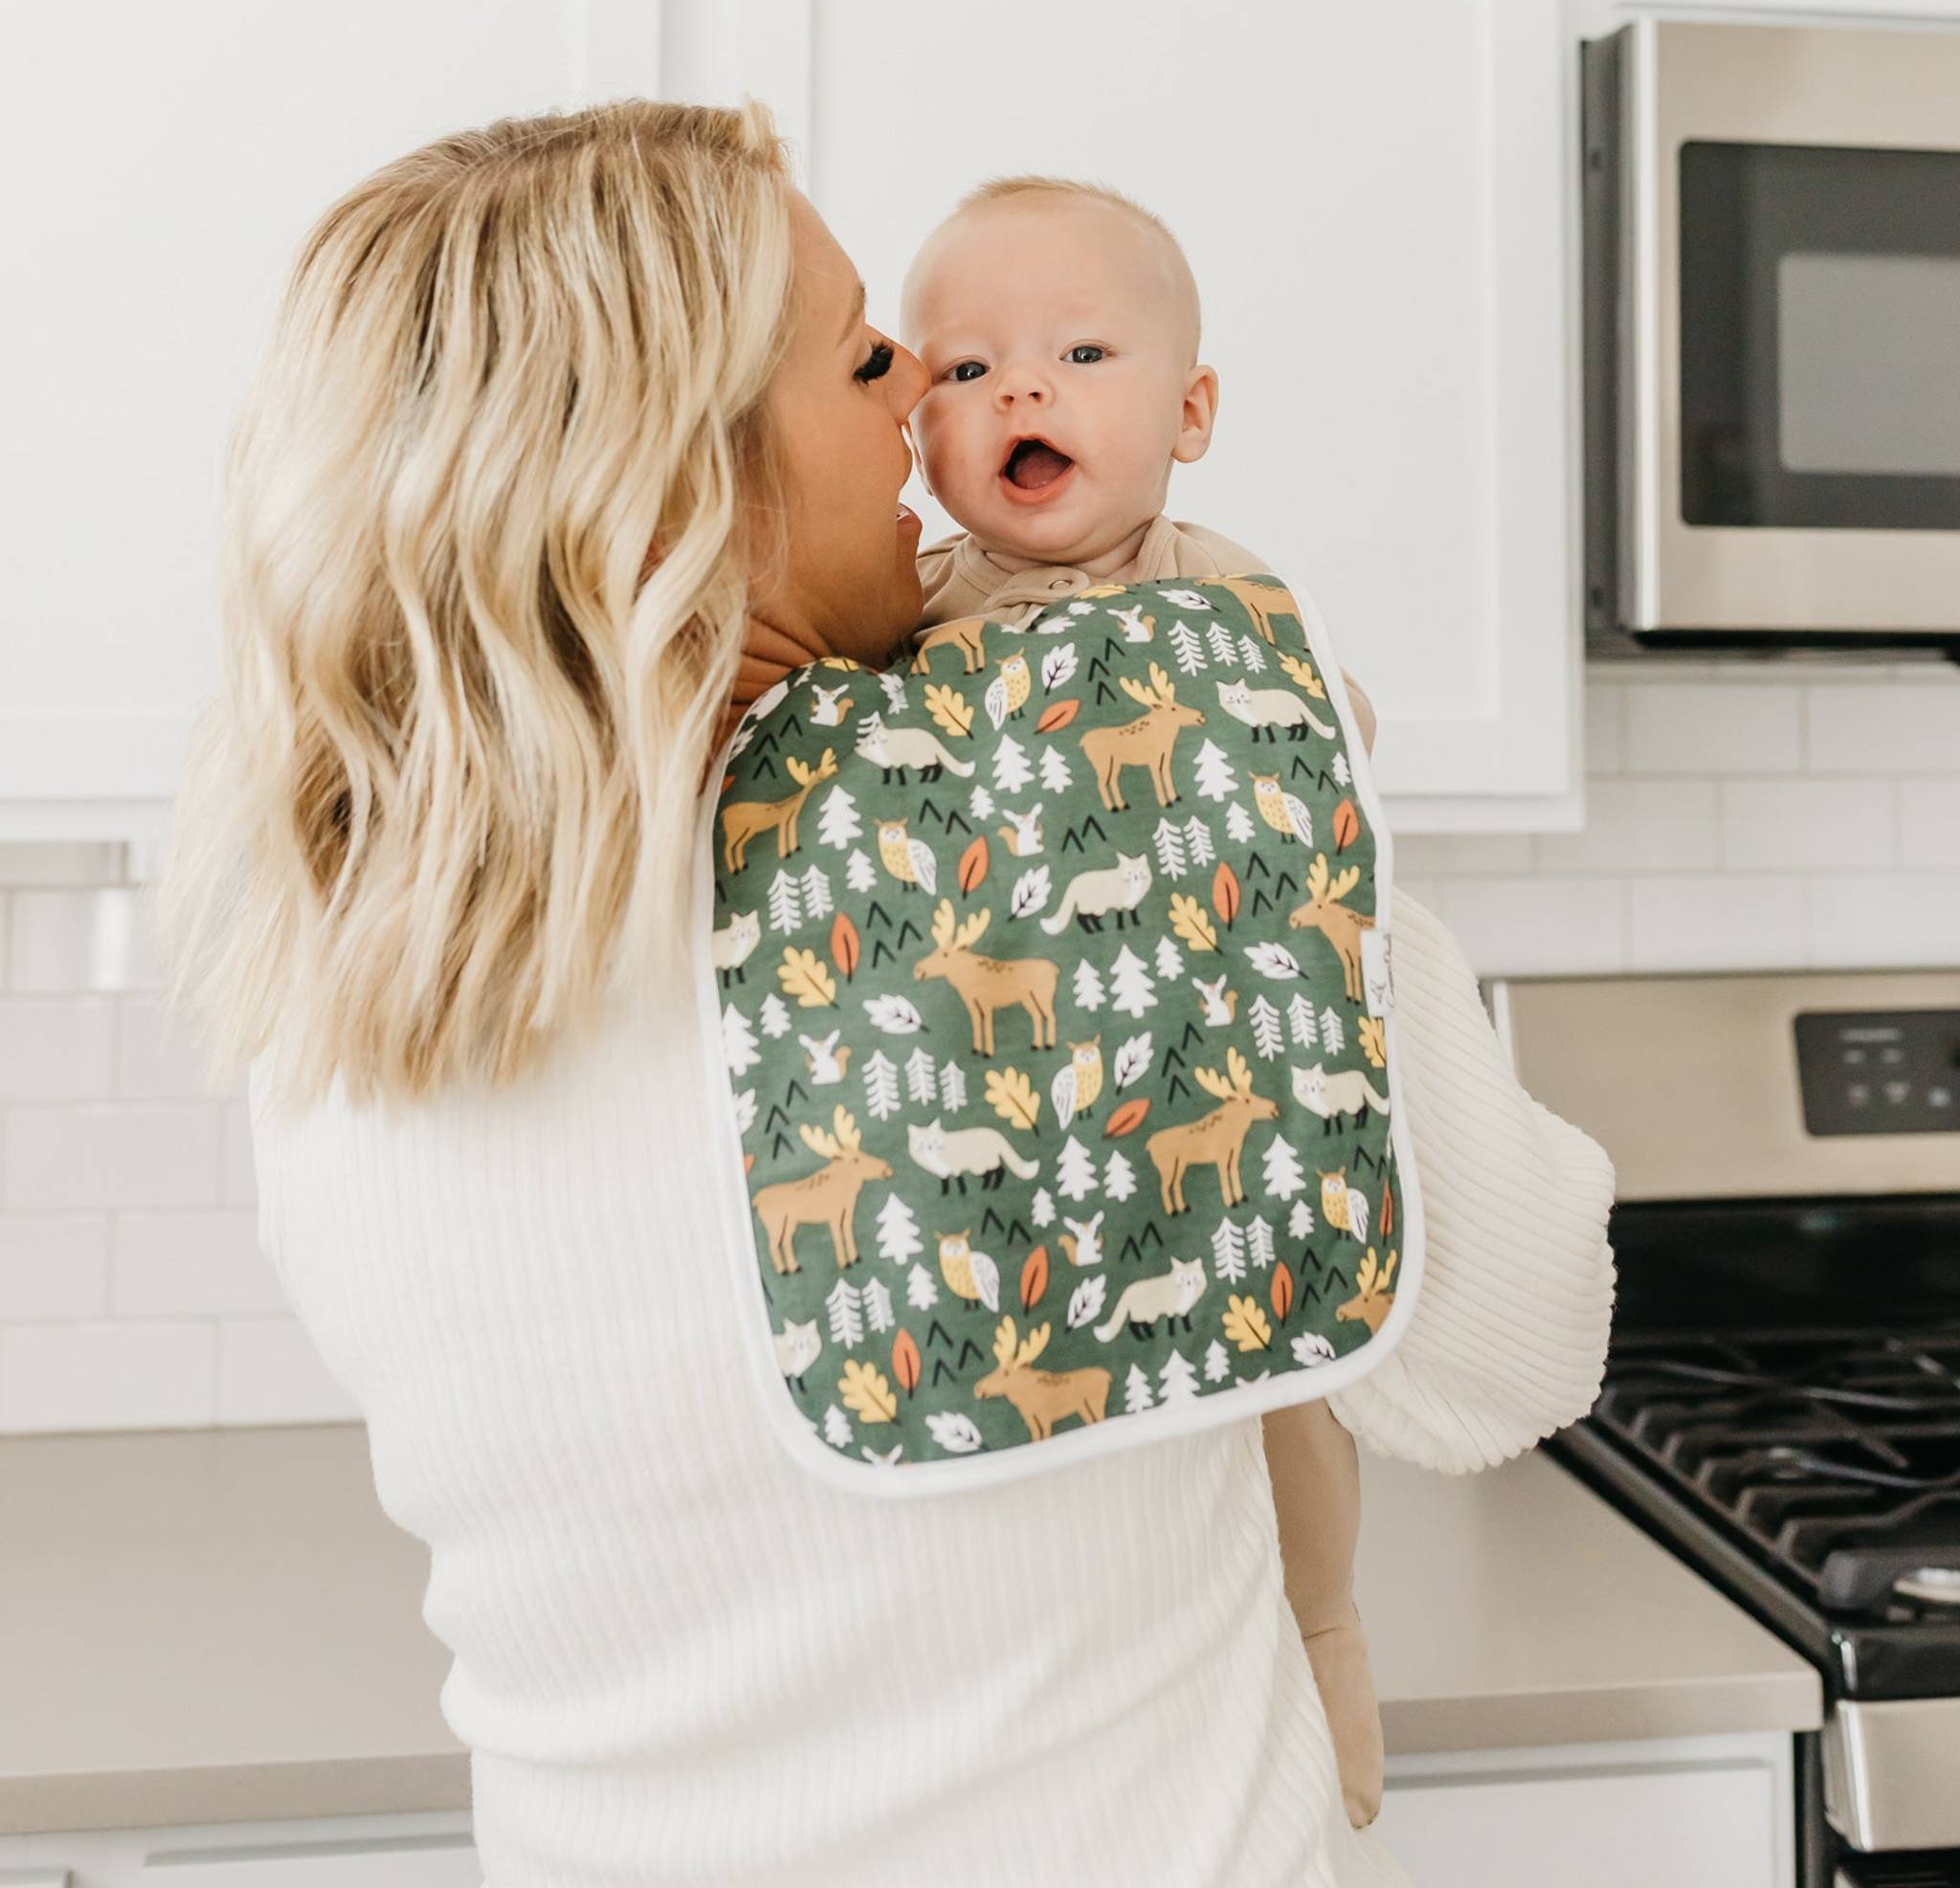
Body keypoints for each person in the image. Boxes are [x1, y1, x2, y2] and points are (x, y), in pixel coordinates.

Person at [156, 98, 1614, 1888]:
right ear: (688, 483)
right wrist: (1300, 804)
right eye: (864, 360)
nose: (928, 386)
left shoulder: (339, 970)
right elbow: (1515, 1355)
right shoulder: (1117, 797)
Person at [900, 172, 1387, 1826]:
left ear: (1189, 414)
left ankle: (1324, 1633)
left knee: (1289, 1390)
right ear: (917, 431)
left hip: (1216, 1058)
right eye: (965, 369)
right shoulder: (908, 617)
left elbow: (1328, 730)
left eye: (1080, 354)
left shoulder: (1223, 594)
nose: (1019, 391)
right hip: (1033, 1090)